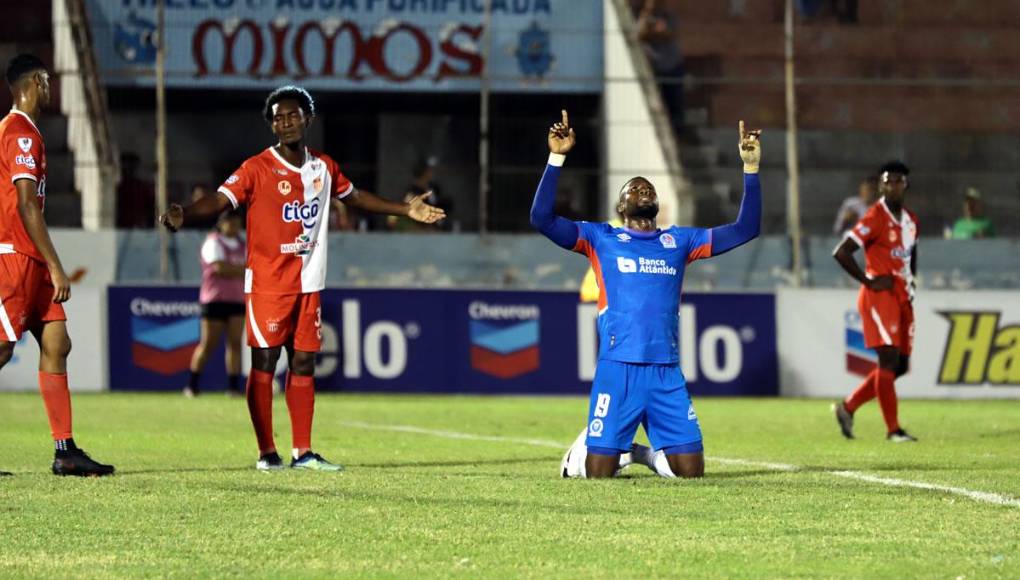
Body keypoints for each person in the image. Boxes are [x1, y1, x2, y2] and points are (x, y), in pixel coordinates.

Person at [159, 85, 445, 471]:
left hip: (309, 283)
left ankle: (303, 452)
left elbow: (355, 197)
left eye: (293, 115)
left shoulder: (323, 166)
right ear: (272, 126)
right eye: (278, 118)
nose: (286, 122)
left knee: (304, 363)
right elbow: (220, 200)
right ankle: (266, 453)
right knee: (264, 362)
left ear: (307, 119)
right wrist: (187, 213)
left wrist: (404, 209)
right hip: (268, 285)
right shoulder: (256, 167)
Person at [534, 111, 762, 479]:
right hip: (618, 367)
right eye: (634, 189)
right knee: (598, 474)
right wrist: (556, 158)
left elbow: (745, 229)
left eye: (649, 188)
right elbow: (542, 219)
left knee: (691, 472)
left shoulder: (680, 241)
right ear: (621, 207)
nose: (644, 190)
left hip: (665, 370)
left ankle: (638, 452)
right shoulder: (600, 238)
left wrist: (750, 168)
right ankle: (589, 447)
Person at [0, 54, 114, 476]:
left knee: (57, 342)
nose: (51, 89)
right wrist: (56, 265)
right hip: (15, 259)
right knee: (3, 349)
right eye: (47, 81)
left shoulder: (23, 131)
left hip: (29, 258)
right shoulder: (19, 133)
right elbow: (27, 205)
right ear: (35, 82)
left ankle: (64, 451)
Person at [832, 161, 918, 443]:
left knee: (900, 365)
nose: (893, 186)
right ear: (881, 186)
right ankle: (893, 430)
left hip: (902, 296)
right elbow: (842, 252)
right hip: (879, 297)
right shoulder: (874, 217)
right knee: (888, 359)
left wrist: (912, 280)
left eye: (898, 181)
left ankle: (848, 407)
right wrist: (868, 281)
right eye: (888, 181)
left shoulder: (911, 221)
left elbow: (911, 254)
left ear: (905, 185)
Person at [184, 210, 246, 398]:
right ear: (222, 224)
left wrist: (239, 269)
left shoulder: (243, 244)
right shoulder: (213, 242)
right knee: (208, 344)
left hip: (237, 299)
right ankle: (192, 384)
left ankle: (233, 387)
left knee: (235, 344)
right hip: (214, 299)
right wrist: (244, 270)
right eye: (231, 223)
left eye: (237, 223)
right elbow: (219, 268)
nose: (234, 227)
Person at [637, 0, 685, 136]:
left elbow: (669, 33)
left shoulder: (668, 17)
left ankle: (678, 133)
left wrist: (654, 32)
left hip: (672, 66)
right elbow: (639, 34)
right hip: (654, 69)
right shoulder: (642, 17)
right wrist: (647, 17)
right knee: (656, 103)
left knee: (675, 103)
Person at [388, 157, 452, 232]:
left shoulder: (434, 189)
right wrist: (421, 228)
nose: (432, 172)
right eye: (430, 170)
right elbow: (399, 217)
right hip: (419, 231)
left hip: (433, 228)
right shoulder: (412, 191)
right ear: (424, 172)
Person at [115, 151, 156, 229]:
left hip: (138, 226)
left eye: (130, 167)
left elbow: (151, 208)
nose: (127, 170)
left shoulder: (141, 187)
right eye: (124, 167)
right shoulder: (116, 188)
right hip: (120, 227)